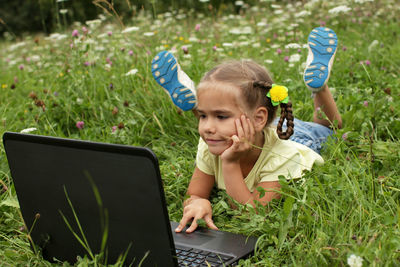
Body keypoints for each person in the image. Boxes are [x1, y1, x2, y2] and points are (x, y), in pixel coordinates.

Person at [151, 27, 342, 233]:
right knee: (233, 125)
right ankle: (209, 104)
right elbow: (195, 193)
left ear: (259, 118)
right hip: (265, 128)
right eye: (202, 115)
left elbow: (252, 214)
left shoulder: (283, 157)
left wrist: (230, 162)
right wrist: (198, 202)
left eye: (221, 116)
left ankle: (318, 88)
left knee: (330, 127)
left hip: (299, 140)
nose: (206, 128)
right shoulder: (212, 143)